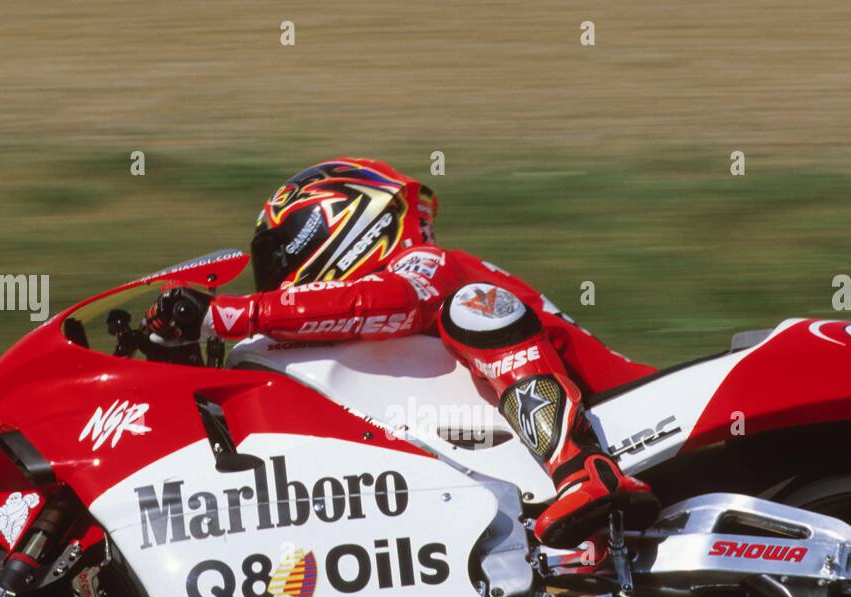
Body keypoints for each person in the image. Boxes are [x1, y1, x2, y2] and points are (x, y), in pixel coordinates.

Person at [147, 157, 654, 549]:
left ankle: (583, 470)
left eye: (278, 257)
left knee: (474, 308)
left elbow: (393, 303)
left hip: (625, 403)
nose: (275, 281)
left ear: (336, 228)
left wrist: (230, 313)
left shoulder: (426, 263)